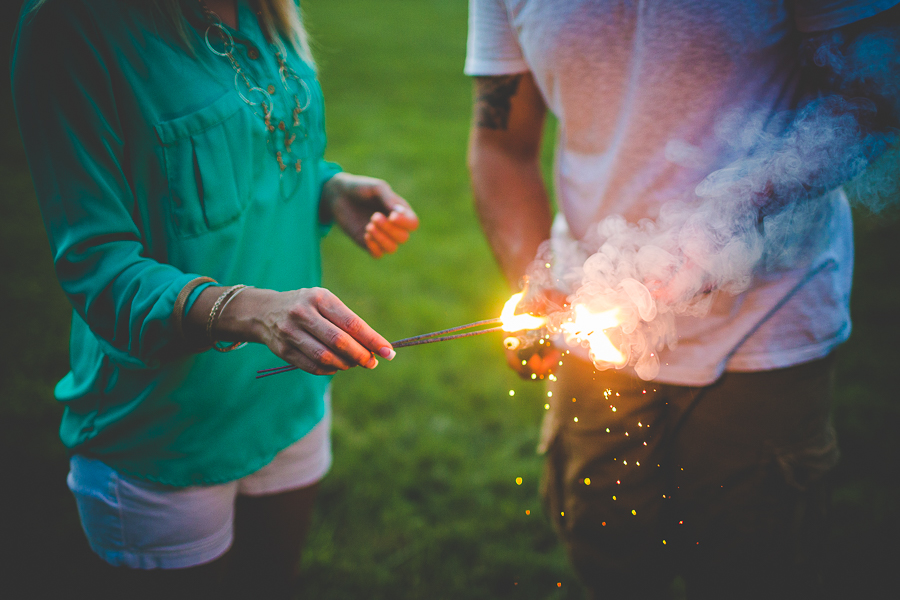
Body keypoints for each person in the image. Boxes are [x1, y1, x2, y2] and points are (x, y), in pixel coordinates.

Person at [466, 1, 899, 598]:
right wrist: (530, 276)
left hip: (764, 324)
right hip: (590, 329)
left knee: (756, 575)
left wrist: (719, 232)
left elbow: (872, 99)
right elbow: (500, 144)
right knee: (606, 559)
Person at [11, 0, 419, 597]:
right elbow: (97, 266)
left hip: (290, 396)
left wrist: (326, 187)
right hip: (167, 431)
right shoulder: (71, 25)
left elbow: (255, 142)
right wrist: (250, 312)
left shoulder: (269, 8)